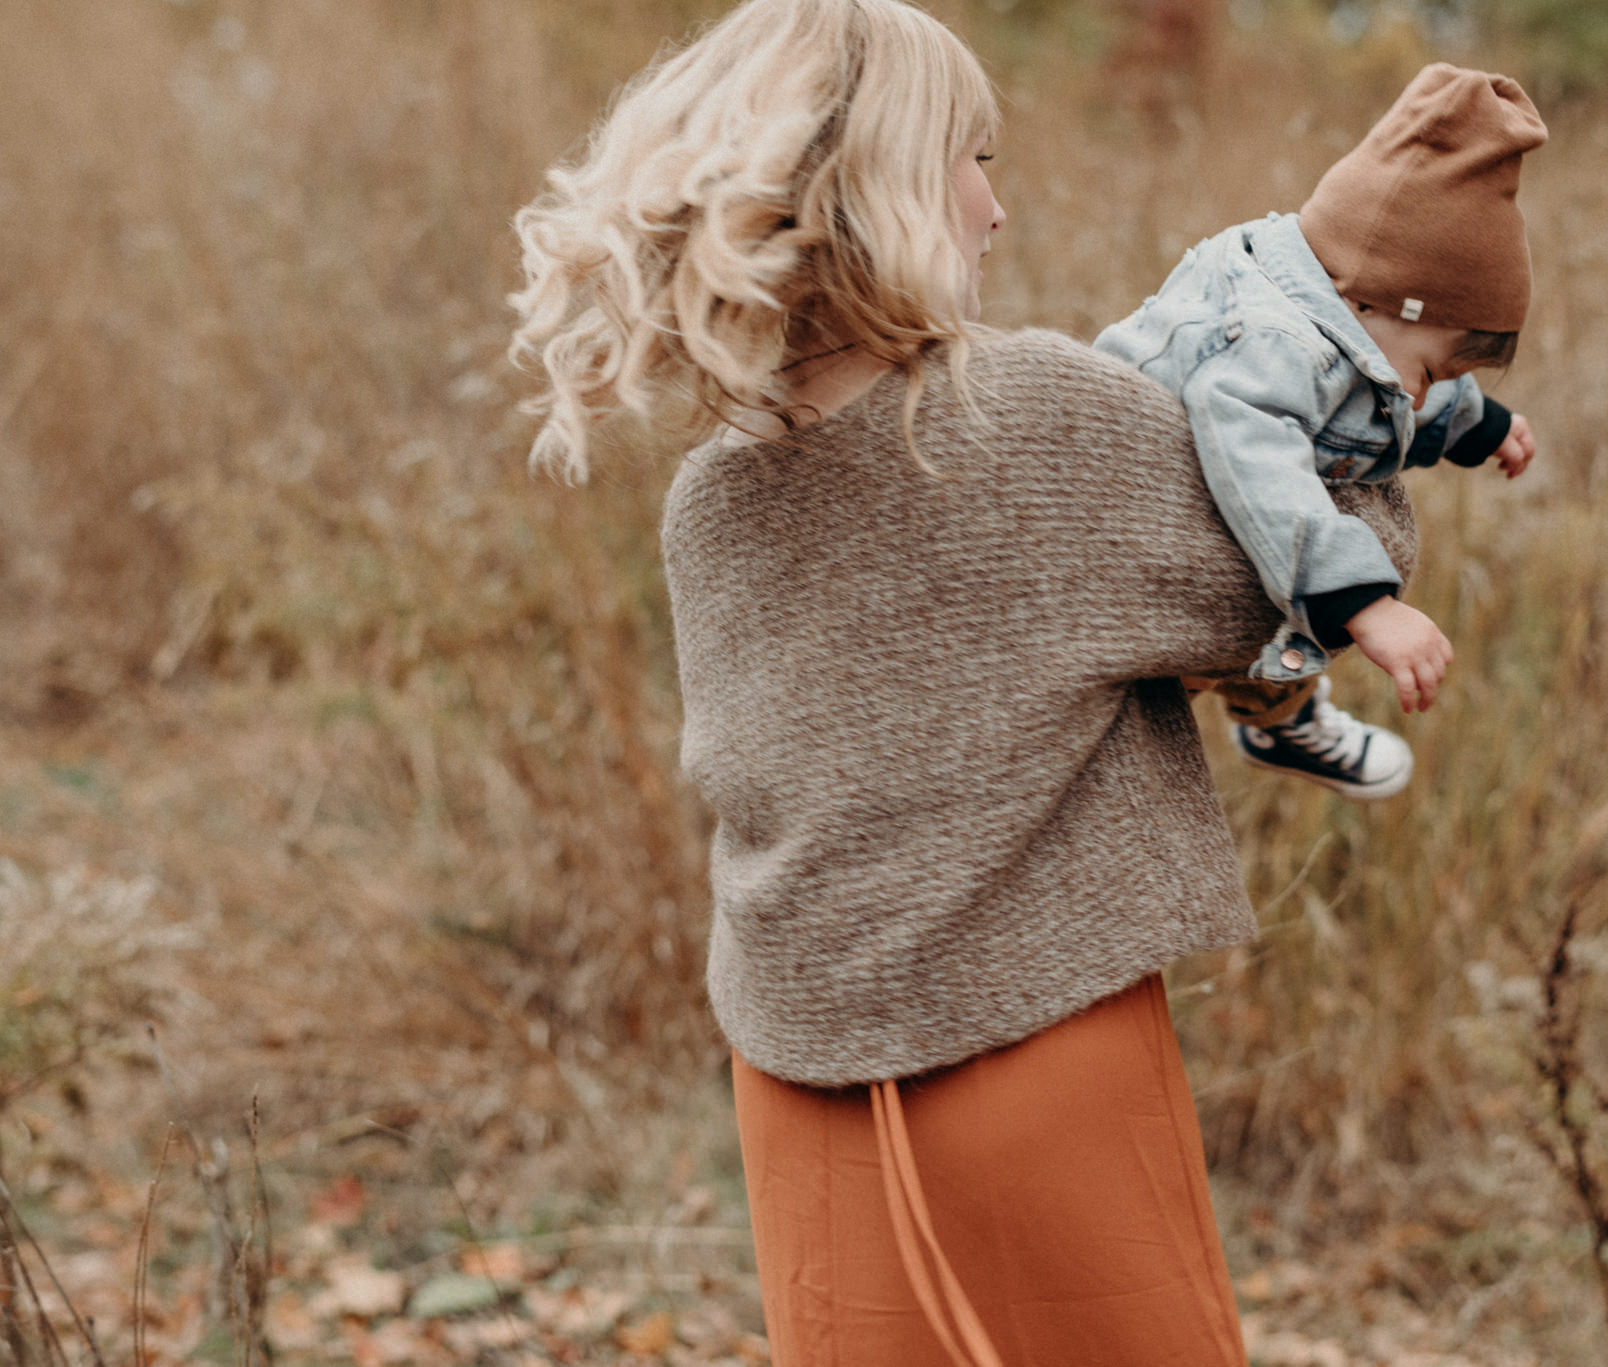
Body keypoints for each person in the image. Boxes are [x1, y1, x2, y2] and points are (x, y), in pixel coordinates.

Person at [507, 1, 1423, 1362]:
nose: (997, 208)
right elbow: (1309, 583)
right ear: (882, 182)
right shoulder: (1024, 414)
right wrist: (1357, 383)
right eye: (974, 157)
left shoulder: (711, 497)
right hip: (1034, 1057)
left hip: (798, 1081)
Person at [1096, 63, 1547, 801]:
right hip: (1127, 539)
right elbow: (1260, 466)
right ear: (1384, 304)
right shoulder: (1274, 343)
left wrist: (1477, 423)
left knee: (1283, 567)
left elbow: (1376, 389)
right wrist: (1367, 605)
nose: (1422, 390)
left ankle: (1280, 714)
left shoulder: (1336, 295)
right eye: (1436, 372)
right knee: (1272, 572)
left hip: (1195, 516)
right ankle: (1253, 720)